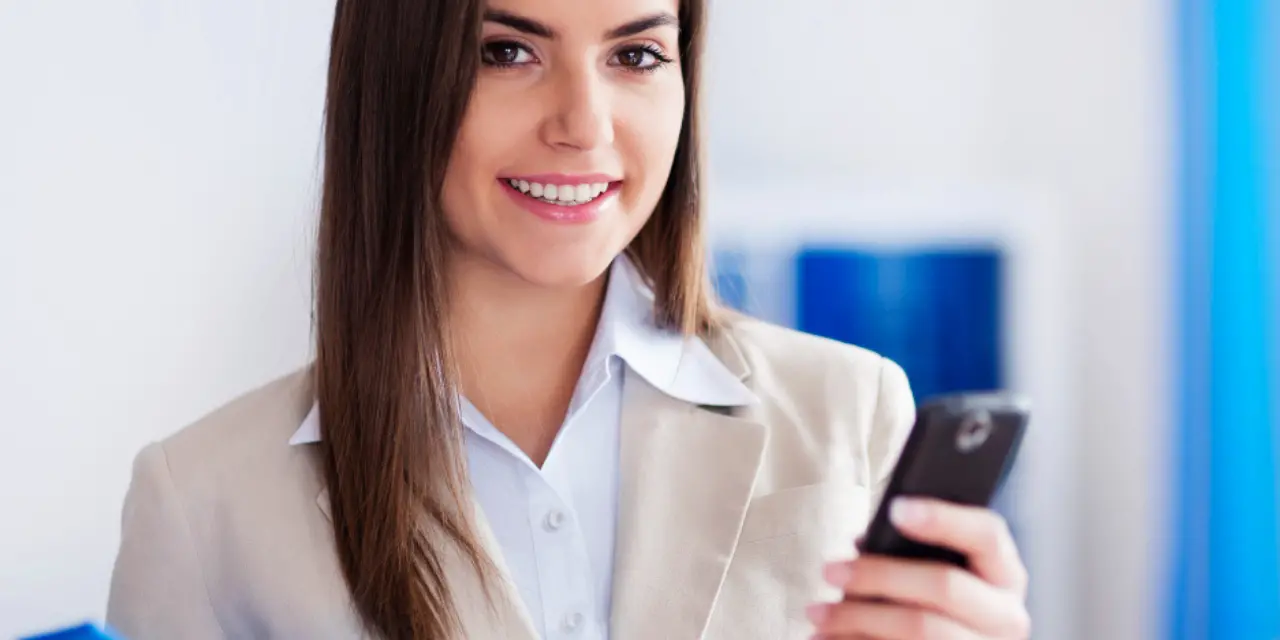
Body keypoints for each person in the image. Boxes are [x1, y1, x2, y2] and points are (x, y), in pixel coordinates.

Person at [106, 0, 1032, 638]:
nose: (584, 125)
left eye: (636, 55)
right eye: (507, 51)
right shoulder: (203, 506)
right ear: (395, 80)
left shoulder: (852, 411)